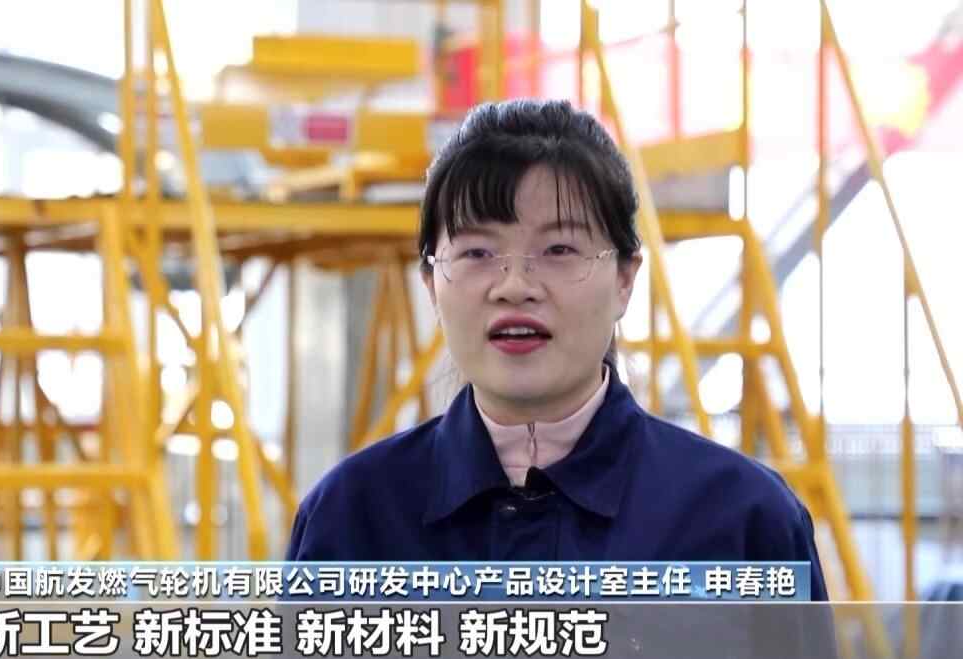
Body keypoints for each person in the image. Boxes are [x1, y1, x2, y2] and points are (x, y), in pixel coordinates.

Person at [284, 98, 829, 604]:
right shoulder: (351, 518)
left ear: (625, 279)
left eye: (559, 249)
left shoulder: (741, 522)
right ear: (431, 281)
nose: (514, 286)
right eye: (477, 252)